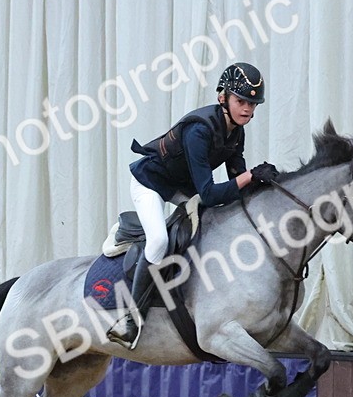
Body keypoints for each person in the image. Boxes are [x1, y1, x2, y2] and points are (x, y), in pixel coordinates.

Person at [108, 62, 279, 349]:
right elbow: (210, 194)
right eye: (241, 101)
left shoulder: (236, 132)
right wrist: (249, 177)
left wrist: (262, 183)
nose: (247, 109)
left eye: (252, 104)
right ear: (223, 97)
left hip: (181, 186)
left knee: (213, 225)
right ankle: (131, 319)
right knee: (159, 240)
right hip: (150, 182)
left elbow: (237, 184)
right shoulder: (199, 131)